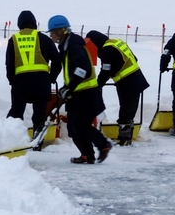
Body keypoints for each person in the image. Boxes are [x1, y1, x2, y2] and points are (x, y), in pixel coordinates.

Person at [48, 15, 112, 163]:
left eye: (52, 32)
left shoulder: (74, 46)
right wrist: (67, 88)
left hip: (86, 93)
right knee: (72, 127)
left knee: (80, 125)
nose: (51, 35)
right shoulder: (67, 45)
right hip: (77, 92)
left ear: (61, 31)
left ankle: (103, 145)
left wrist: (69, 87)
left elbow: (83, 69)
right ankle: (87, 155)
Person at [86, 30, 150, 146]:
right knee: (129, 110)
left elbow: (105, 72)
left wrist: (96, 85)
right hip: (137, 78)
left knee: (126, 110)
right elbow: (134, 58)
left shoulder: (106, 50)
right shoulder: (117, 42)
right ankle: (126, 138)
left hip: (127, 82)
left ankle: (124, 139)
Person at [6, 10, 61, 140]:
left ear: (20, 24)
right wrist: (52, 77)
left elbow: (9, 64)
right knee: (40, 114)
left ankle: (11, 140)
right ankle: (38, 140)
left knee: (16, 112)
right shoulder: (45, 39)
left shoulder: (14, 39)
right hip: (41, 82)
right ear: (34, 23)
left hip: (20, 82)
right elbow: (57, 60)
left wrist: (11, 80)